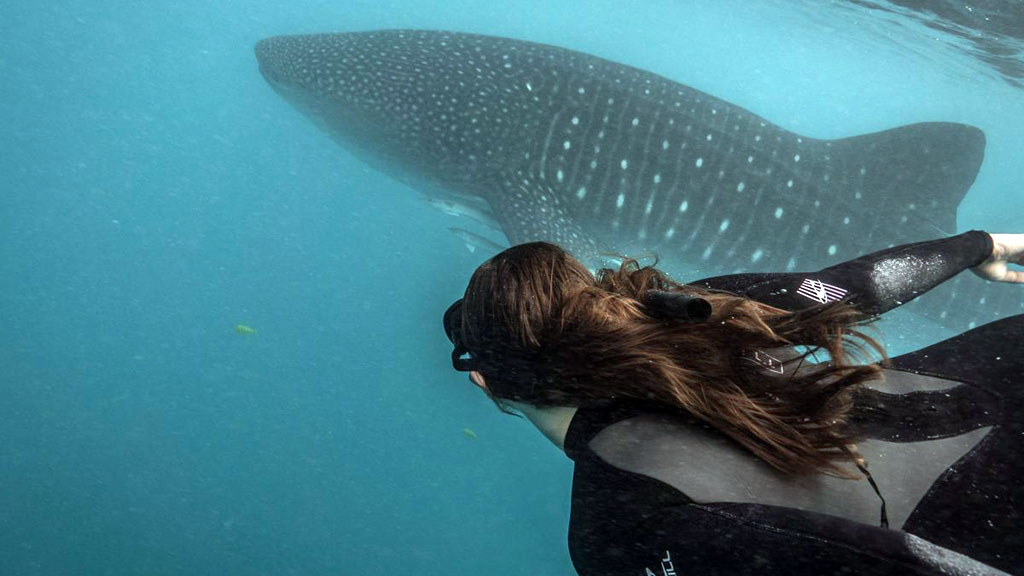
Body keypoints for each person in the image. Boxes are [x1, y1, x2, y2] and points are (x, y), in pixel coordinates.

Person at [443, 230, 1024, 576]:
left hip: (983, 518)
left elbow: (903, 562)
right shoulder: (694, 305)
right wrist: (980, 245)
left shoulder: (614, 529)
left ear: (485, 383)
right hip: (1000, 366)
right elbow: (851, 287)